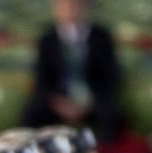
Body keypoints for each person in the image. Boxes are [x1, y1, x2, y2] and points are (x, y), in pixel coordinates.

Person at [22, 0, 122, 142]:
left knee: (111, 113)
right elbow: (42, 78)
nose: (70, 9)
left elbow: (111, 76)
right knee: (31, 113)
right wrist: (58, 103)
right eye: (65, 5)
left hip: (92, 101)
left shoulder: (101, 37)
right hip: (58, 100)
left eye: (75, 4)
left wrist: (90, 103)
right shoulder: (47, 39)